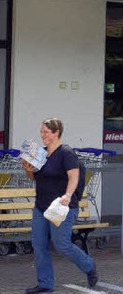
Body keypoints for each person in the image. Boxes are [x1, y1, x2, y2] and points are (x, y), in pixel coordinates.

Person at [20, 118, 99, 293]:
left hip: (62, 207)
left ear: (57, 133)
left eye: (46, 132)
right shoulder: (41, 153)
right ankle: (45, 283)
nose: (43, 135)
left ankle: (89, 265)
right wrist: (27, 168)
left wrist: (68, 195)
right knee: (39, 245)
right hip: (41, 207)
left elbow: (74, 177)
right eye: (41, 132)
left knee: (61, 244)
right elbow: (35, 177)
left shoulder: (66, 153)